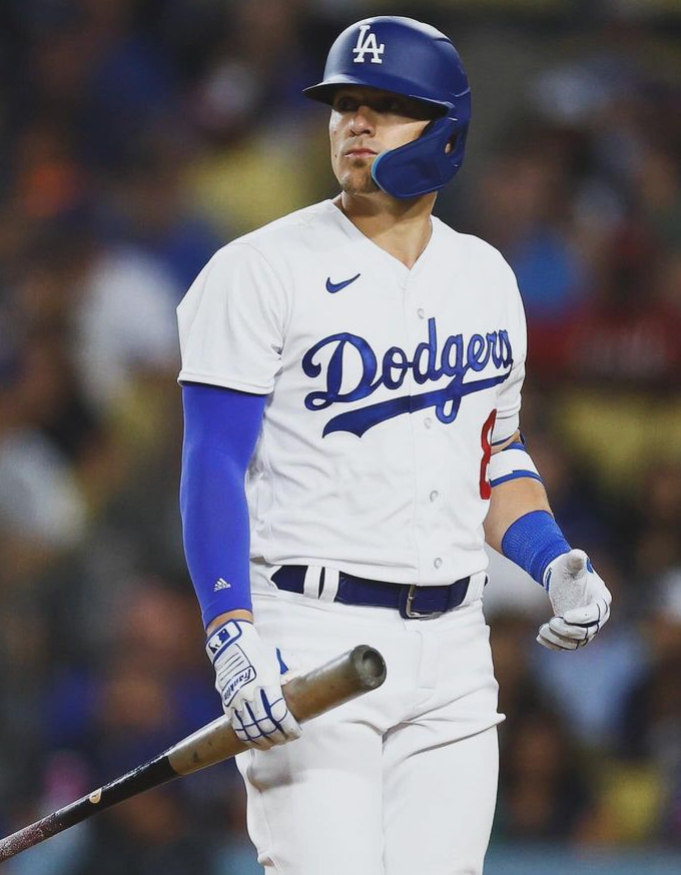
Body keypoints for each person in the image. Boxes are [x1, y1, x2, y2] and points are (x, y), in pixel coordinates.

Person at [176, 16, 612, 875]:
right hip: (311, 630)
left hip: (453, 644)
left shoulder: (485, 276)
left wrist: (556, 560)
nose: (355, 123)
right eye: (344, 103)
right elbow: (213, 462)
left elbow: (493, 458)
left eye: (386, 106)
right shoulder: (259, 268)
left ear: (445, 130)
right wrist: (231, 631)